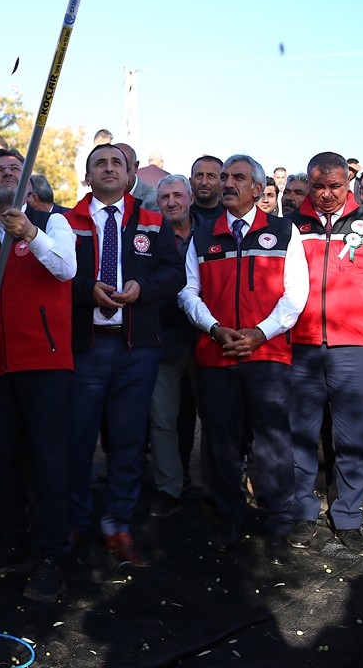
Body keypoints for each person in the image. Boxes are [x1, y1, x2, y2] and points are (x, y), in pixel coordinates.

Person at [0, 148, 77, 603]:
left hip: (46, 365)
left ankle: (51, 558)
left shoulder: (55, 223)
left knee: (49, 464)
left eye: (16, 169)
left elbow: (68, 269)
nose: (9, 173)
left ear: (29, 186)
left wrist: (30, 233)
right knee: (1, 462)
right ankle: (13, 542)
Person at [178, 155, 308, 565]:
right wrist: (217, 330)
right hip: (215, 355)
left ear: (258, 188)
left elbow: (295, 294)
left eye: (238, 177)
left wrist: (259, 333)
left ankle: (278, 524)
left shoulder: (285, 231)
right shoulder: (203, 235)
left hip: (267, 355)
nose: (228, 183)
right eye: (225, 177)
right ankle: (229, 516)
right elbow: (187, 293)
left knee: (272, 443)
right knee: (221, 443)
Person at [64, 144, 183, 567]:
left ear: (130, 172)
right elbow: (54, 274)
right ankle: (76, 520)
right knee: (77, 440)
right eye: (101, 163)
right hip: (87, 347)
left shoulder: (152, 219)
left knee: (130, 441)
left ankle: (119, 525)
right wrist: (84, 290)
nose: (109, 168)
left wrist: (142, 289)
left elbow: (174, 273)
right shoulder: (66, 220)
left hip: (137, 349)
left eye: (117, 162)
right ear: (87, 176)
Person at [284, 152, 363, 558]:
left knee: (352, 439)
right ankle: (303, 512)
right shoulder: (291, 225)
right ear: (308, 184)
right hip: (303, 346)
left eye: (335, 186)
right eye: (318, 186)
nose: (327, 195)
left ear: (348, 181)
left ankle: (348, 517)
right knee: (301, 436)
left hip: (356, 346)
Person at [149, 174, 200, 515]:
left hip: (207, 338)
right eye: (164, 197)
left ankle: (218, 487)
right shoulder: (149, 236)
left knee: (215, 417)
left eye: (177, 195)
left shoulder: (211, 231)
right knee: (162, 418)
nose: (171, 202)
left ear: (191, 198)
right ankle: (170, 487)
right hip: (164, 337)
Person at [115, 142, 158, 211]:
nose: (120, 176)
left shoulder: (153, 201)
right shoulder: (101, 195)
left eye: (126, 170)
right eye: (114, 171)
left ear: (136, 167)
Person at [190, 155, 226, 226]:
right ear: (190, 181)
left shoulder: (233, 219)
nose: (204, 182)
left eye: (211, 176)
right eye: (199, 175)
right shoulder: (182, 218)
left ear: (222, 181)